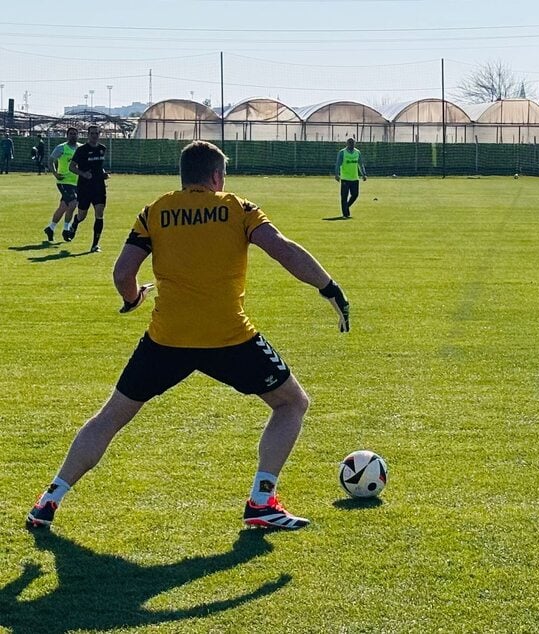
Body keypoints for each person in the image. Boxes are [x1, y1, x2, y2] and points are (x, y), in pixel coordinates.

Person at [26, 140, 351, 532]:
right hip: (230, 338)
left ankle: (50, 499)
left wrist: (133, 300)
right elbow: (285, 251)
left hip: (166, 340)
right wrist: (330, 289)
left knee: (110, 417)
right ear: (216, 176)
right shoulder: (239, 209)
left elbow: (122, 274)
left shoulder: (155, 212)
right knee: (291, 404)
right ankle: (262, 500)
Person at [67, 125, 108, 251]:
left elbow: (99, 166)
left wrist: (104, 173)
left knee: (99, 214)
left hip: (99, 187)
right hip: (85, 187)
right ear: (88, 135)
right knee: (82, 215)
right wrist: (84, 174)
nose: (94, 136)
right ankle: (75, 222)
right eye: (92, 133)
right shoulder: (82, 150)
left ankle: (95, 245)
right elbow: (72, 167)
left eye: (96, 133)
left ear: (99, 134)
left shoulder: (102, 148)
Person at [44, 127, 80, 242]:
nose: (73, 136)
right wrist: (55, 173)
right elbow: (51, 160)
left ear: (78, 135)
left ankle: (50, 228)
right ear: (67, 135)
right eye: (71, 134)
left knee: (63, 207)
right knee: (73, 203)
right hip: (64, 181)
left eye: (75, 134)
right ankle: (66, 230)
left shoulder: (81, 148)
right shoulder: (61, 148)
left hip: (77, 182)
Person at [335, 137, 367, 218]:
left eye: (353, 143)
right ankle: (345, 214)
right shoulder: (342, 152)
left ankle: (346, 207)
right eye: (350, 143)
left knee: (355, 195)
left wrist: (363, 174)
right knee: (344, 196)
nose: (351, 144)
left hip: (355, 178)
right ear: (347, 144)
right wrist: (336, 174)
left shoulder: (357, 152)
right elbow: (338, 164)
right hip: (345, 178)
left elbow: (360, 164)